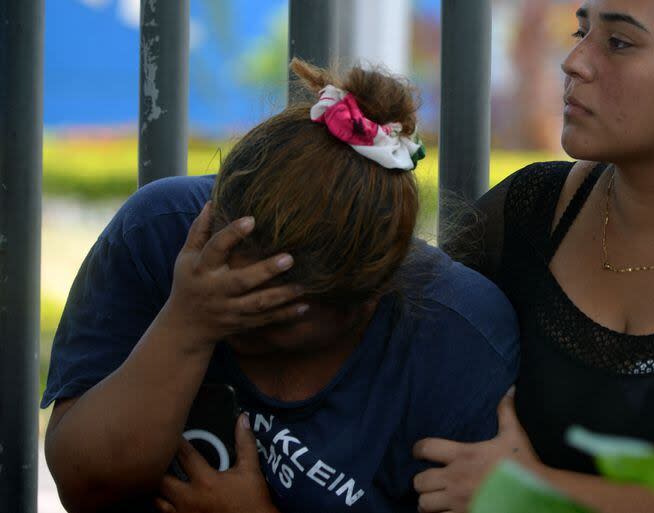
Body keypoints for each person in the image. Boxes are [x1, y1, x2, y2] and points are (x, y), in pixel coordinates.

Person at [42, 59, 520, 513]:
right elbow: (85, 489)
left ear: (370, 295)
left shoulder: (457, 344)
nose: (230, 310)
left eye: (265, 316)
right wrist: (187, 323)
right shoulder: (161, 234)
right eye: (223, 283)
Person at [413, 1, 654, 512]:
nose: (574, 61)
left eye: (618, 43)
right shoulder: (529, 210)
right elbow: (394, 329)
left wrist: (530, 490)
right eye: (582, 32)